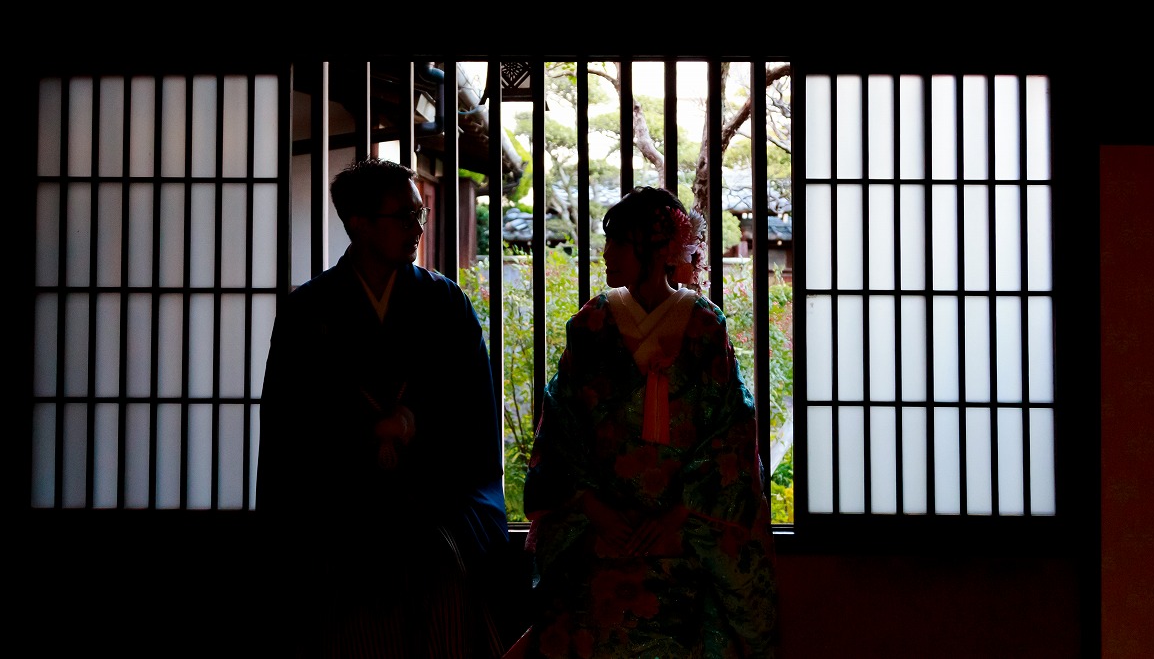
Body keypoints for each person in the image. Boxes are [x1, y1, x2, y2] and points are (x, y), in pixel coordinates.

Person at [256, 157, 509, 658]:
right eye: (405, 216)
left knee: (447, 584)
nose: (418, 227)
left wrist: (414, 424)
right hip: (340, 502)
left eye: (420, 214)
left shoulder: (445, 303)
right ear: (359, 223)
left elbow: (475, 414)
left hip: (434, 499)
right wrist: (364, 435)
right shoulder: (309, 311)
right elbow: (289, 426)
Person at [518, 186, 780, 658]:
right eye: (608, 241)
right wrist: (595, 509)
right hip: (601, 527)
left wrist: (679, 516)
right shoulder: (591, 324)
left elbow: (731, 431)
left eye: (620, 242)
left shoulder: (704, 325)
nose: (607, 253)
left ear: (660, 250)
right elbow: (561, 427)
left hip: (684, 529)